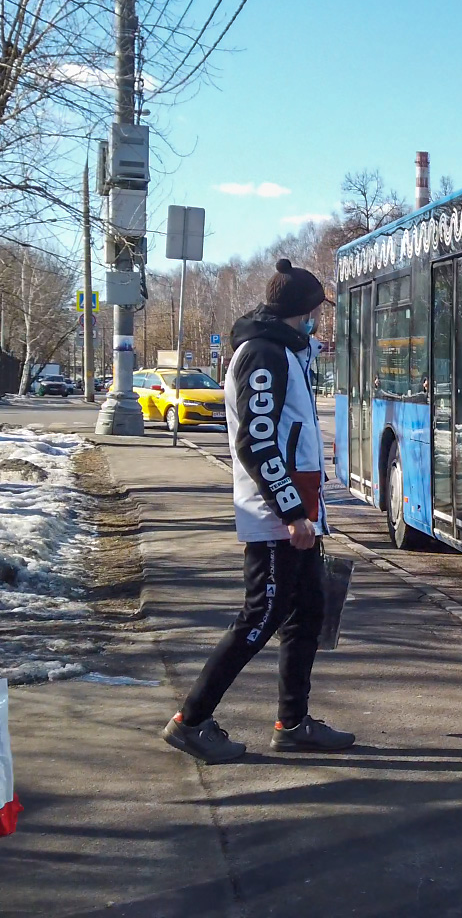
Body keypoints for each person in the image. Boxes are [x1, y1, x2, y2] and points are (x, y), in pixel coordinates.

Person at [162, 258, 357, 763]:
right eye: (316, 311)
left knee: (307, 613)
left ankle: (293, 723)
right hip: (276, 517)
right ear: (303, 310)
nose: (319, 321)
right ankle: (192, 719)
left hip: (297, 512)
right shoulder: (263, 354)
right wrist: (292, 512)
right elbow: (258, 442)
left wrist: (307, 513)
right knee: (261, 615)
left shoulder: (287, 351)